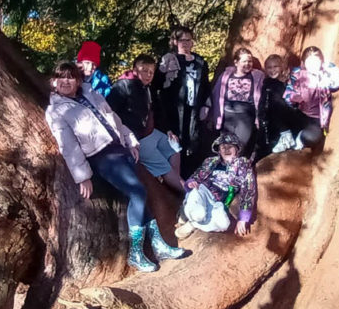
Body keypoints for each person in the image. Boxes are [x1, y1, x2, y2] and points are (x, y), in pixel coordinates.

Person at [45, 61, 187, 272]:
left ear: (78, 80)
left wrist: (130, 139)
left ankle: (158, 246)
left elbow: (114, 119)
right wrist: (82, 175)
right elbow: (68, 145)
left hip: (120, 150)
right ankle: (136, 253)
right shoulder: (56, 111)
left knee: (140, 194)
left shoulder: (91, 94)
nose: (66, 81)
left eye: (71, 77)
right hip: (102, 157)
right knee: (138, 192)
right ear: (53, 82)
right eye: (61, 77)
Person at [108, 53, 183, 193]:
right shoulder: (122, 86)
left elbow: (157, 110)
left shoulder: (147, 88)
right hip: (136, 138)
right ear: (135, 70)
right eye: (144, 70)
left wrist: (168, 130)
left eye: (151, 72)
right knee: (164, 167)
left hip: (150, 132)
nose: (148, 75)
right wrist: (125, 139)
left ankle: (172, 186)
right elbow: (110, 113)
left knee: (174, 148)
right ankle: (186, 194)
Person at [175, 132, 257, 238]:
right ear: (219, 150)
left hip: (218, 201)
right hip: (203, 191)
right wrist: (191, 183)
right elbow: (195, 177)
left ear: (237, 149)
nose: (226, 150)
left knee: (224, 224)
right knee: (198, 214)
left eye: (230, 147)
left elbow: (248, 189)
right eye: (223, 147)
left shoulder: (243, 164)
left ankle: (192, 224)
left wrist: (243, 218)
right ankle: (187, 211)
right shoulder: (210, 161)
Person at [157, 25, 211, 171]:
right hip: (174, 110)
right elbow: (158, 84)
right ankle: (175, 178)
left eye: (189, 40)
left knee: (193, 143)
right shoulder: (169, 60)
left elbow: (206, 85)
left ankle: (190, 177)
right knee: (175, 143)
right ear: (175, 41)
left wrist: (206, 105)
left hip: (194, 109)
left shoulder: (200, 61)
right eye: (182, 40)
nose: (186, 43)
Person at [280, 46, 339, 153]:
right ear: (304, 63)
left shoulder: (326, 76)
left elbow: (337, 84)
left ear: (321, 62)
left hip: (316, 119)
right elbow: (288, 96)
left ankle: (300, 140)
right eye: (309, 63)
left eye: (316, 62)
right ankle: (286, 137)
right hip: (299, 114)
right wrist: (294, 98)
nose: (313, 66)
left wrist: (326, 71)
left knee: (311, 137)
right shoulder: (298, 74)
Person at [210, 47, 265, 157]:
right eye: (244, 61)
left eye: (249, 61)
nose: (248, 64)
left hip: (246, 118)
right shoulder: (226, 75)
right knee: (225, 147)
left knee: (240, 147)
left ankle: (238, 172)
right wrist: (207, 108)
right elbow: (215, 93)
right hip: (227, 117)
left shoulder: (257, 76)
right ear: (236, 62)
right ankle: (225, 172)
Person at [257, 53, 294, 159]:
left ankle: (286, 135)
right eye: (269, 67)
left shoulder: (288, 82)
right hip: (270, 121)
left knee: (276, 102)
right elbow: (263, 102)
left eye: (275, 67)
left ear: (281, 67)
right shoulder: (266, 83)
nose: (272, 70)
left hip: (287, 118)